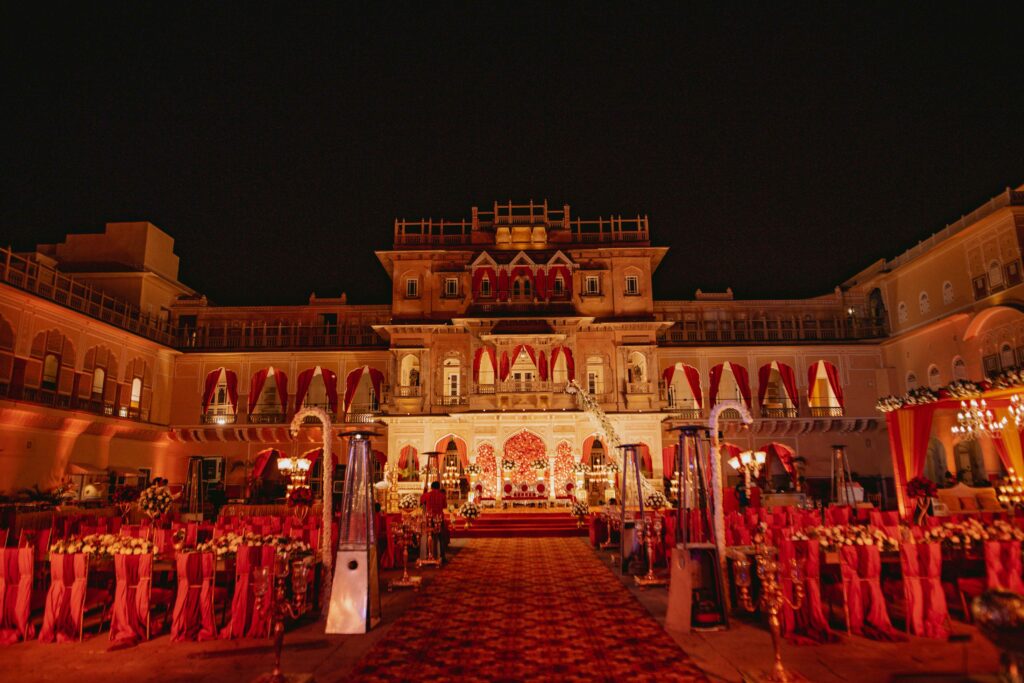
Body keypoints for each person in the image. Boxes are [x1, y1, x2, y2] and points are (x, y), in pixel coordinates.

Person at [421, 481, 448, 560]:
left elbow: (421, 501)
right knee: (441, 537)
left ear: (431, 487)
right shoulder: (442, 495)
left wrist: (424, 492)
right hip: (439, 518)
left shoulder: (427, 494)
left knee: (429, 536)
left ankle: (428, 554)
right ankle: (443, 556)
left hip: (430, 518)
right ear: (439, 487)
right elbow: (444, 506)